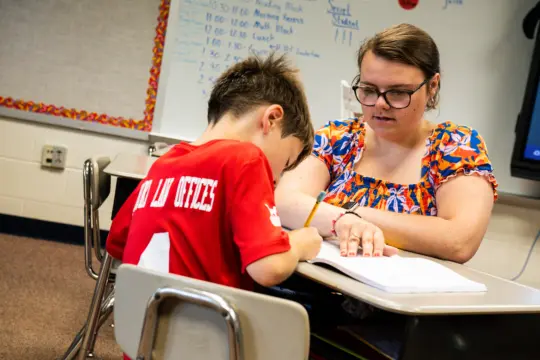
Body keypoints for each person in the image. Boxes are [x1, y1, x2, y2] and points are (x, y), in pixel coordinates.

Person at [275, 23, 498, 264]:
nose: (380, 103)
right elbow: (285, 202)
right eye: (369, 90)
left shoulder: (455, 146)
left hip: (398, 297)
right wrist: (343, 221)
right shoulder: (338, 137)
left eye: (398, 92)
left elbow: (459, 241)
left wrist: (351, 215)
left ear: (432, 86)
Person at [105, 53, 323, 297]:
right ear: (271, 119)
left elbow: (116, 242)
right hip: (207, 328)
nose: (277, 179)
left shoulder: (165, 163)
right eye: (285, 162)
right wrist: (300, 244)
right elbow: (269, 268)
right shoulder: (247, 159)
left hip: (137, 324)